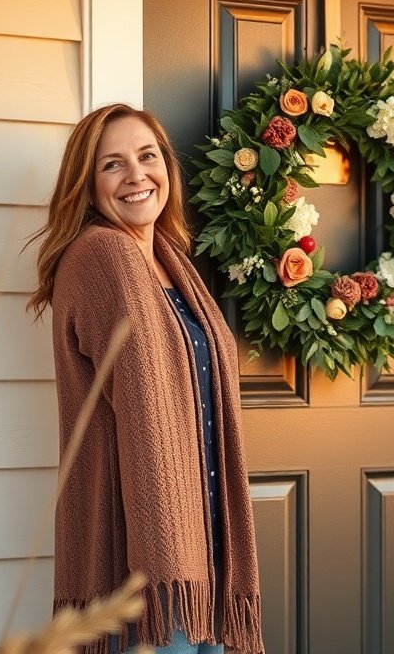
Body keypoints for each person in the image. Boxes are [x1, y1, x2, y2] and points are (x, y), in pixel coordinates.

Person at [27, 103, 264, 654]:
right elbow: (146, 415)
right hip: (146, 559)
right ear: (87, 186)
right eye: (113, 165)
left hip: (199, 549)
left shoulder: (168, 260)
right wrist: (171, 567)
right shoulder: (104, 255)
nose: (136, 175)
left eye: (147, 156)